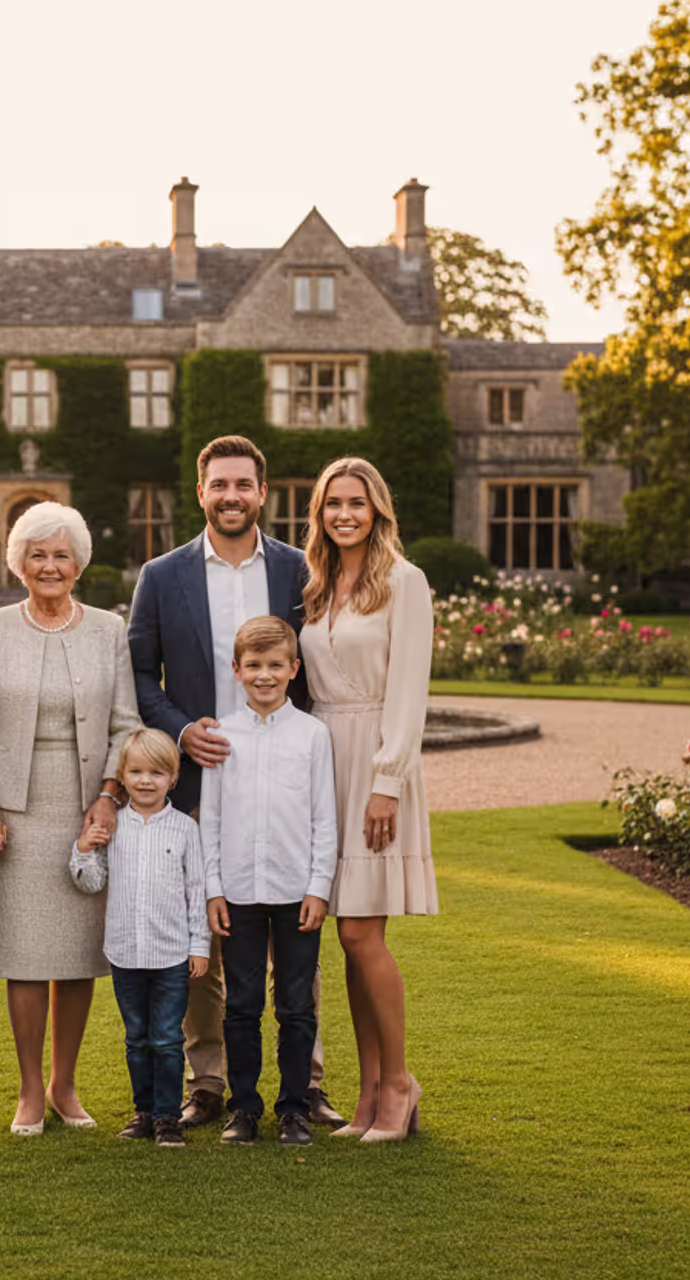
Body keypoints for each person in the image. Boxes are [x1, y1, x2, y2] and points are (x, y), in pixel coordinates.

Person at [126, 434, 344, 1131]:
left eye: (243, 484)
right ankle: (210, 1082)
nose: (231, 496)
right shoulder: (162, 575)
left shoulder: (299, 569)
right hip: (200, 776)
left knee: (295, 951)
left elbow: (322, 660)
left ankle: (306, 1084)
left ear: (262, 492)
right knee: (206, 935)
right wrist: (181, 730)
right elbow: (139, 675)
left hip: (282, 776)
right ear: (201, 492)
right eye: (219, 484)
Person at [0, 501, 141, 1135]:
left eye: (62, 555)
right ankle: (30, 1089)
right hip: (13, 813)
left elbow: (126, 725)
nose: (50, 566)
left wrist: (110, 796)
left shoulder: (109, 630)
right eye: (37, 555)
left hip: (87, 807)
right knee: (25, 951)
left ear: (79, 564)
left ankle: (65, 1085)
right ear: (20, 563)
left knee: (78, 953)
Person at [296, 456, 437, 1143]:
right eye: (333, 504)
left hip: (375, 763)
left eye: (356, 502)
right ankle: (367, 1094)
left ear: (377, 509)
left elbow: (409, 693)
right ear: (319, 514)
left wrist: (388, 782)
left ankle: (400, 1083)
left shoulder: (404, 582)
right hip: (324, 762)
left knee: (361, 933)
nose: (344, 514)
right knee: (347, 937)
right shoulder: (318, 585)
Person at [201, 615, 338, 1147]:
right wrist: (214, 888)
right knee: (241, 1005)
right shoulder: (221, 736)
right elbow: (211, 820)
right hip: (238, 893)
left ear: (293, 669)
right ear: (236, 669)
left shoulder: (312, 735)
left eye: (275, 665)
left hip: (296, 892)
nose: (265, 675)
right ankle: (243, 1108)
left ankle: (294, 1108)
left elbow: (324, 818)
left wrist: (319, 887)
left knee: (296, 1006)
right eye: (254, 665)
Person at [69, 727, 209, 1149]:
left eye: (157, 773)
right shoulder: (113, 826)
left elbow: (197, 891)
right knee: (137, 1038)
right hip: (125, 954)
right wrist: (83, 847)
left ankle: (167, 1117)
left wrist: (199, 946)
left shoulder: (184, 829)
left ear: (173, 777)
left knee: (167, 1039)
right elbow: (91, 882)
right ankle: (143, 1111)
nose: (146, 781)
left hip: (172, 956)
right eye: (136, 772)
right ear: (122, 776)